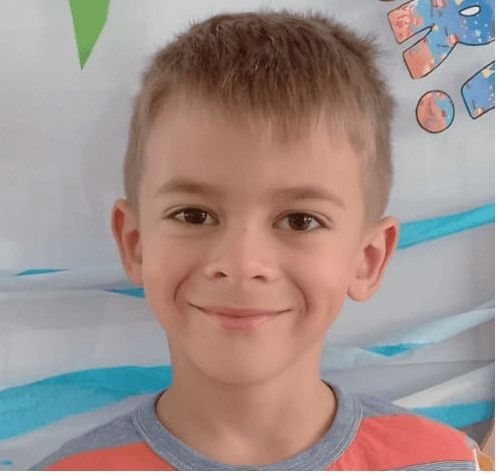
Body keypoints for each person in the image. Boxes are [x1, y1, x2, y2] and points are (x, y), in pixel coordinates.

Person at [30, 8, 485, 470]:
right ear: (135, 244)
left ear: (368, 258)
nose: (243, 263)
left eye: (300, 221)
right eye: (194, 215)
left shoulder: (444, 464)